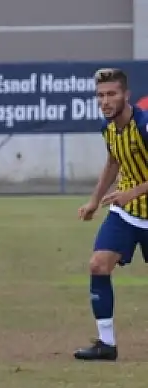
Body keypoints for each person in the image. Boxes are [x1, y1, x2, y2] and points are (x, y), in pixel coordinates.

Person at [74, 67, 148, 361]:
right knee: (98, 265)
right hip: (126, 212)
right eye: (100, 95)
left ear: (126, 95)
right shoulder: (108, 128)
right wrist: (94, 201)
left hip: (135, 200)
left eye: (111, 94)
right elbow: (113, 162)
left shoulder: (144, 125)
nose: (105, 101)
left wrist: (133, 191)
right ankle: (106, 344)